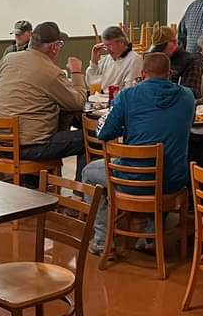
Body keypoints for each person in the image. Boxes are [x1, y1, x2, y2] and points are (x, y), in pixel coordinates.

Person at [81, 52, 195, 254]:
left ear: (142, 74)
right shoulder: (187, 96)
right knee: (161, 162)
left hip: (134, 180)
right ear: (169, 73)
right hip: (173, 180)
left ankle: (101, 241)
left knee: (89, 173)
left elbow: (104, 132)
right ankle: (151, 235)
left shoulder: (128, 96)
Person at [0, 21, 87, 178]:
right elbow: (78, 103)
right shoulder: (51, 71)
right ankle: (83, 191)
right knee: (90, 138)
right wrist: (77, 72)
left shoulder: (8, 59)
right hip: (27, 147)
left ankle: (34, 182)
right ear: (54, 47)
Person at [86, 25, 143, 92]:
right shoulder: (107, 59)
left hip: (118, 97)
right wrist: (94, 62)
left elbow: (130, 90)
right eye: (105, 46)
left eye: (109, 45)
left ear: (121, 42)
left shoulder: (134, 60)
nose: (107, 50)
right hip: (101, 96)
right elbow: (91, 83)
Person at [151, 26, 202, 99]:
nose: (161, 51)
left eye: (163, 47)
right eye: (158, 48)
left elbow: (192, 94)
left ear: (174, 42)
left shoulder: (191, 62)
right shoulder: (157, 58)